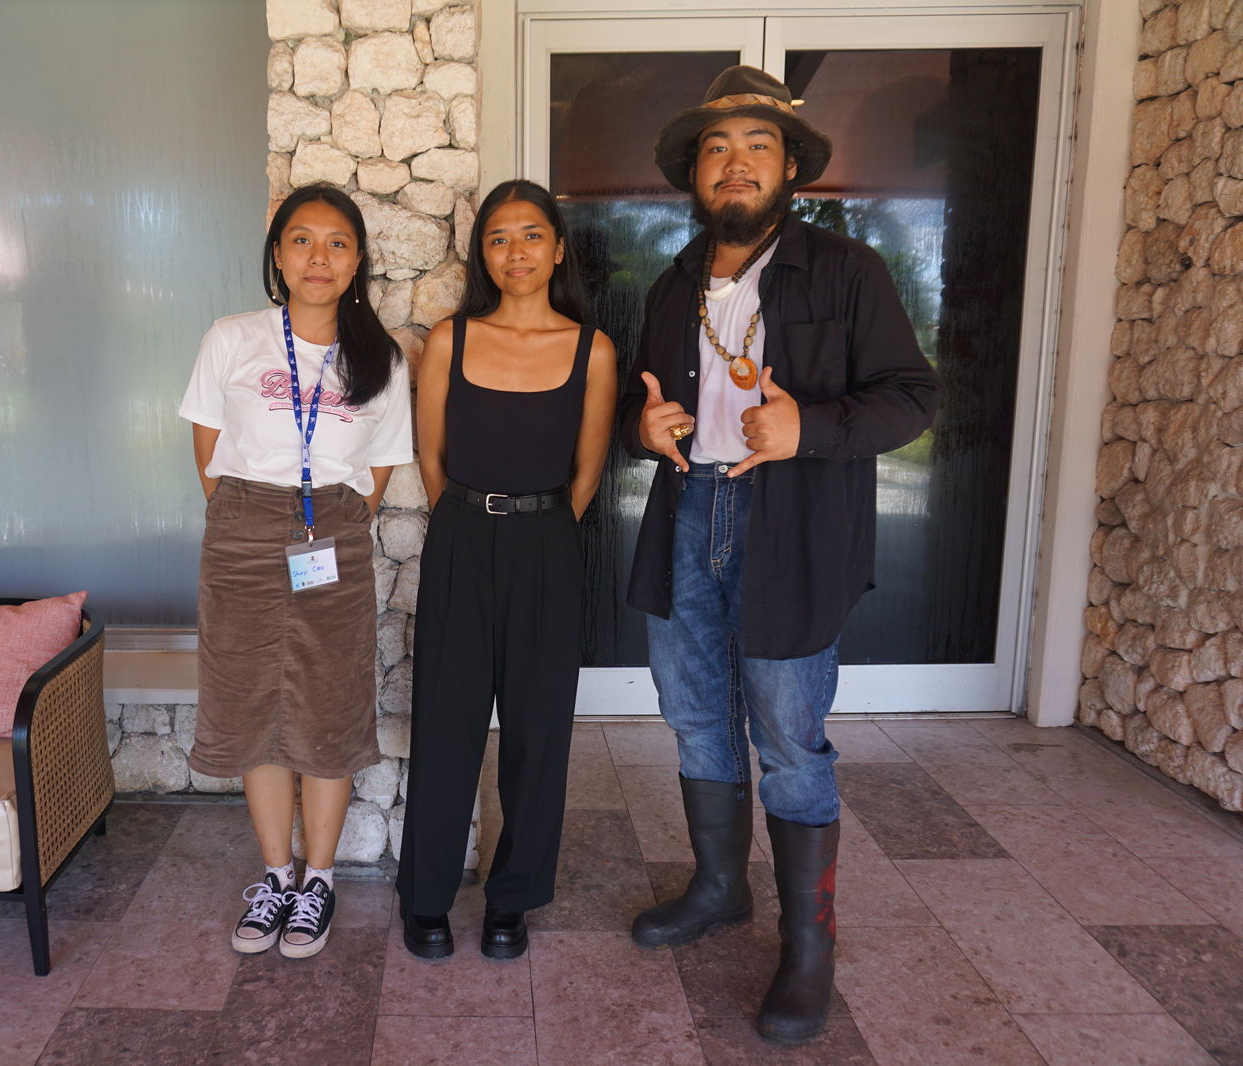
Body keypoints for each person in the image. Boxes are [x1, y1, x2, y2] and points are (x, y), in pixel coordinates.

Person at [619, 67, 939, 1043]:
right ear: (694, 173)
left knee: (790, 739)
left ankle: (808, 949)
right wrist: (648, 428)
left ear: (789, 165)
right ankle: (718, 888)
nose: (735, 163)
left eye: (756, 145)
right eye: (716, 148)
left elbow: (911, 397)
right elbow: (652, 411)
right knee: (693, 717)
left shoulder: (845, 273)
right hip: (687, 514)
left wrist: (811, 427)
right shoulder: (673, 283)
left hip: (789, 526)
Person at [179, 183, 412, 960]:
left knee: (329, 706)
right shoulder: (232, 337)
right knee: (253, 707)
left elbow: (379, 471)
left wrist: (324, 524)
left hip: (332, 537)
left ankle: (319, 882)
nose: (320, 256)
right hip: (243, 530)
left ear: (357, 261)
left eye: (338, 242)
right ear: (277, 256)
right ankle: (275, 875)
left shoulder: (380, 356)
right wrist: (257, 517)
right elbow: (208, 451)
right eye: (302, 240)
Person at [397, 180, 616, 961]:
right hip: (461, 536)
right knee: (446, 725)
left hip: (547, 546)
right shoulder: (452, 339)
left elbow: (587, 474)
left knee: (538, 731)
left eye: (531, 235)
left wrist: (536, 527)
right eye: (498, 237)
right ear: (481, 253)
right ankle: (423, 897)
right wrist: (471, 517)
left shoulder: (592, 349)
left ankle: (512, 898)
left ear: (558, 247)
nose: (515, 251)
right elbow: (430, 457)